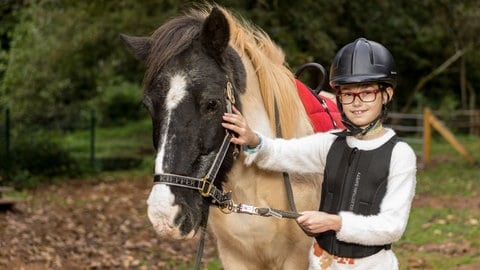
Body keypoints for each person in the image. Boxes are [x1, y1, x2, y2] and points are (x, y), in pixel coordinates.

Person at [222, 37, 416, 269]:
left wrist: (334, 222)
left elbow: (391, 226)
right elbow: (282, 152)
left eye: (367, 93)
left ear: (387, 94)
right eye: (347, 93)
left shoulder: (400, 154)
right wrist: (253, 139)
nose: (357, 103)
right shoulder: (330, 143)